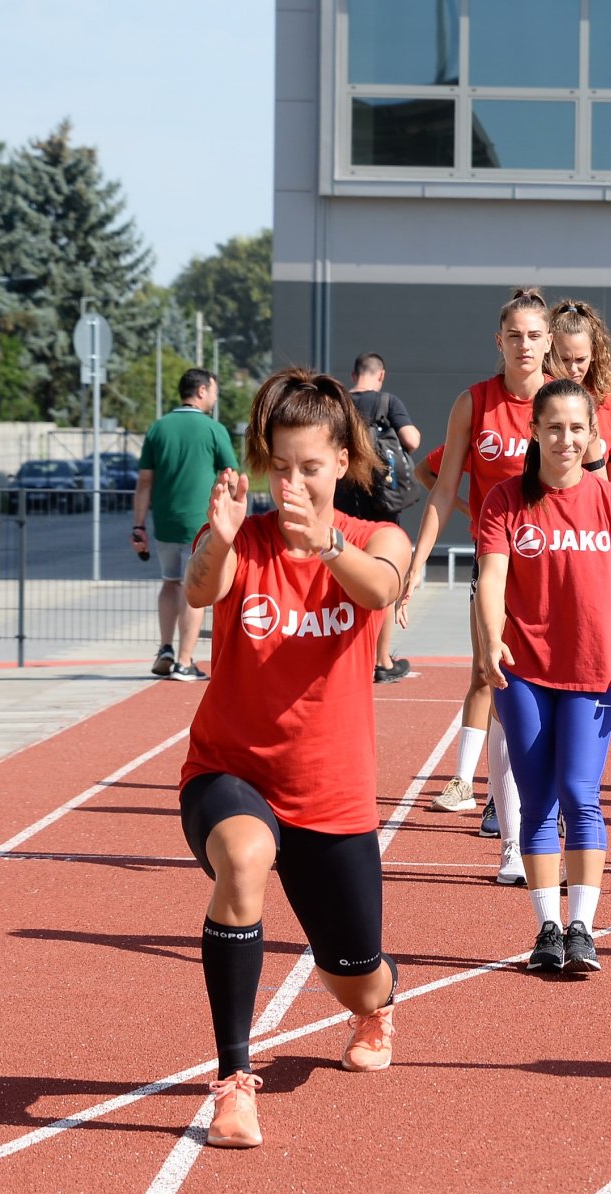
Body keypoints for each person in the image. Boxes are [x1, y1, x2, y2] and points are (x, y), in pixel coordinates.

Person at [176, 368, 414, 1148]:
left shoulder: (378, 537)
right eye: (281, 466)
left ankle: (378, 1004)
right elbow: (201, 591)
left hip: (330, 792)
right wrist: (216, 534)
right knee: (241, 859)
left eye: (309, 466)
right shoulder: (247, 538)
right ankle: (234, 1081)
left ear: (342, 459)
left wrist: (330, 544)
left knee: (353, 973)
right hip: (230, 770)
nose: (294, 482)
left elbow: (381, 590)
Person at [473, 378, 611, 975]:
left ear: (593, 435)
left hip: (592, 668)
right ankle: (547, 926)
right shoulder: (505, 499)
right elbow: (493, 577)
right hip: (524, 671)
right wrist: (492, 637)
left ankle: (583, 927)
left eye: (578, 428)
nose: (566, 439)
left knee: (581, 793)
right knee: (538, 799)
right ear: (535, 431)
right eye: (555, 427)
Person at [401, 288, 554, 878]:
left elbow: (592, 486)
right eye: (514, 335)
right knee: (495, 679)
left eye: (534, 335)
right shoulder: (475, 402)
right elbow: (439, 485)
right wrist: (416, 564)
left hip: (555, 569)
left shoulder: (563, 402)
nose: (524, 345)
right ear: (500, 340)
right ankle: (497, 813)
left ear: (547, 340)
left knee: (550, 693)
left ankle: (533, 803)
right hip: (495, 566)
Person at [132, 368, 235, 682]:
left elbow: (144, 482)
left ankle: (165, 648)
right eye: (214, 391)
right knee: (194, 590)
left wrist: (138, 526)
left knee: (170, 582)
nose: (215, 398)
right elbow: (229, 475)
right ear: (202, 391)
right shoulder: (213, 429)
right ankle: (185, 661)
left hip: (165, 521)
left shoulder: (158, 428)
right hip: (199, 523)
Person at [337, 352, 421, 684]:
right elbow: (412, 440)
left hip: (342, 502)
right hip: (382, 504)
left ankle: (341, 656)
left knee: (341, 575)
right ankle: (381, 660)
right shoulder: (388, 401)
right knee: (385, 579)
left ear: (353, 373)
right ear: (380, 374)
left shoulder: (339, 401)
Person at [546, 300, 611, 495]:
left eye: (580, 360)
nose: (572, 369)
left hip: (595, 514)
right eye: (564, 359)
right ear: (549, 352)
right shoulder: (539, 402)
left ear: (594, 354)